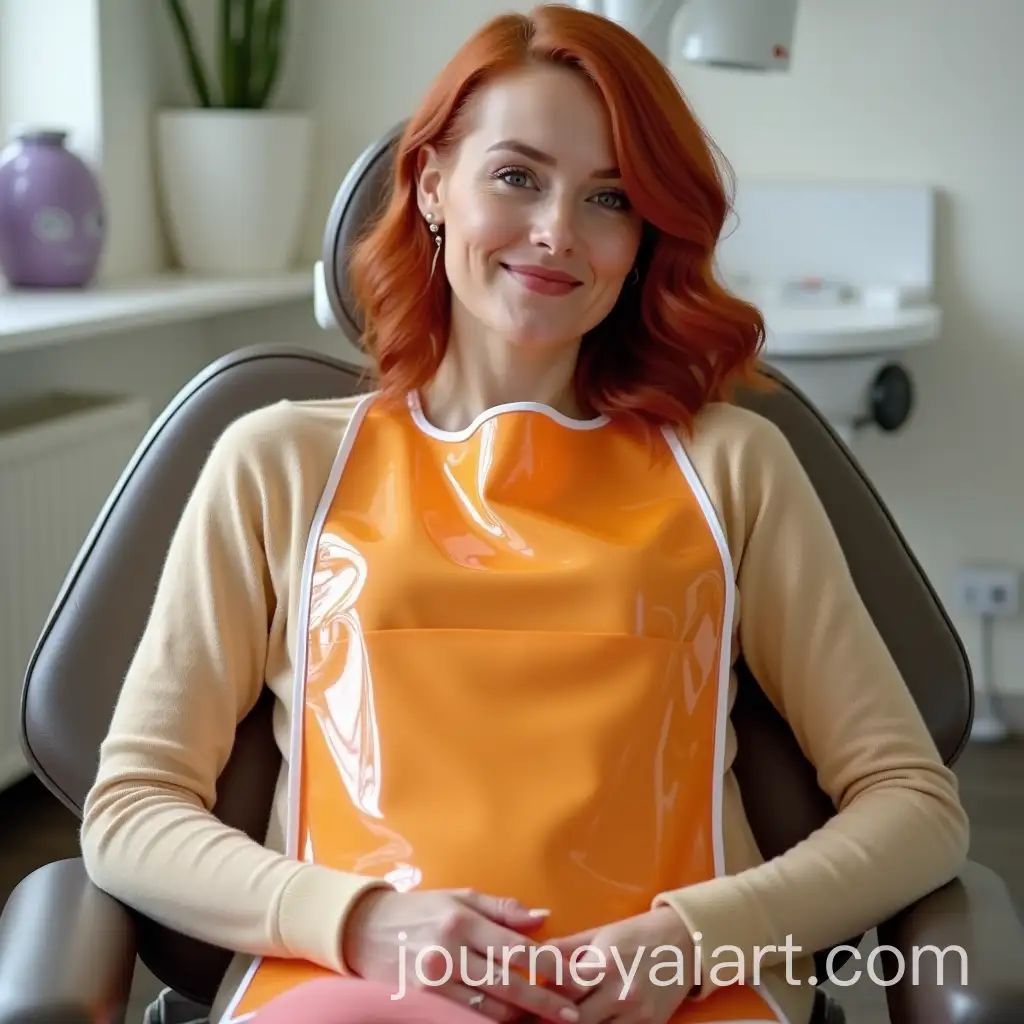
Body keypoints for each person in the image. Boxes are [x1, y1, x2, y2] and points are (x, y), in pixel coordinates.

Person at [81, 5, 969, 1024]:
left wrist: (693, 937)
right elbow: (131, 812)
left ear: (642, 238)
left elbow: (914, 806)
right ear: (431, 187)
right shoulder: (279, 463)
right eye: (516, 177)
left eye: (609, 198)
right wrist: (361, 920)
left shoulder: (732, 469)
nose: (556, 231)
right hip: (362, 995)